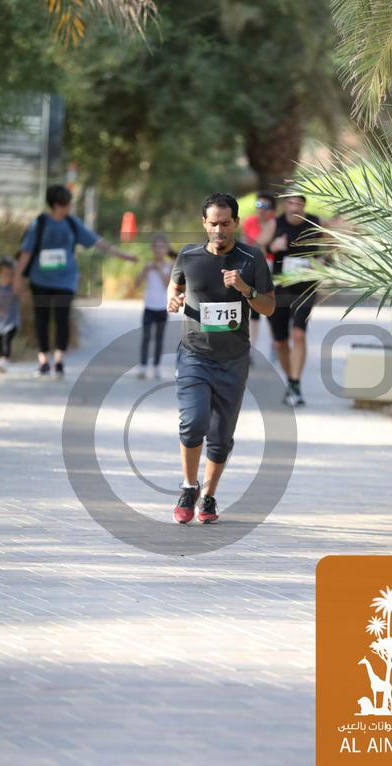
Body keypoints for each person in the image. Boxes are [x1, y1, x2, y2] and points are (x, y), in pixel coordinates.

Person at [168, 192, 275, 525]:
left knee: (220, 435)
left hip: (233, 359)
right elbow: (174, 286)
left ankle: (209, 496)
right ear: (204, 223)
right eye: (213, 223)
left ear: (236, 223)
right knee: (193, 422)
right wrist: (173, 299)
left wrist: (245, 289)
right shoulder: (188, 255)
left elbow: (269, 306)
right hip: (194, 355)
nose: (219, 230)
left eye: (226, 224)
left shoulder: (251, 258)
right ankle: (189, 487)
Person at [14, 184, 137, 377]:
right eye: (66, 204)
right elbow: (26, 252)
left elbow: (96, 241)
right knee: (41, 319)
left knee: (62, 318)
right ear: (55, 205)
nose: (69, 207)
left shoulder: (72, 223)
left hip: (66, 280)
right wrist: (18, 278)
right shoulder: (40, 223)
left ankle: (59, 361)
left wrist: (122, 255)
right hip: (40, 279)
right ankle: (43, 361)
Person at [267, 194, 322, 407]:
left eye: (299, 203)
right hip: (280, 288)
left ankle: (295, 382)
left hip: (305, 287)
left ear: (304, 206)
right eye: (291, 202)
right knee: (280, 341)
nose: (295, 206)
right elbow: (259, 243)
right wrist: (273, 246)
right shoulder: (277, 222)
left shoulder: (314, 222)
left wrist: (324, 260)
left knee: (298, 334)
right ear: (286, 204)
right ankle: (291, 381)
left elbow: (334, 240)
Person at [241, 191, 277, 352]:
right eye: (258, 205)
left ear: (272, 209)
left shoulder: (276, 223)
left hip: (273, 268)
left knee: (272, 306)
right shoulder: (250, 222)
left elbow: (260, 244)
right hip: (254, 266)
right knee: (253, 305)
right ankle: (252, 346)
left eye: (265, 206)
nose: (261, 209)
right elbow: (249, 244)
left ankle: (275, 343)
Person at [135, 234, 172, 379]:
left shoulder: (169, 266)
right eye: (156, 247)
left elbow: (168, 285)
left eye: (162, 247)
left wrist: (158, 269)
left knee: (159, 338)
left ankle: (156, 366)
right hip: (149, 307)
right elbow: (137, 284)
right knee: (146, 337)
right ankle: (143, 366)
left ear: (166, 249)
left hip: (162, 308)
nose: (158, 250)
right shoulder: (148, 266)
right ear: (152, 248)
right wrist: (144, 271)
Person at [0, 256, 21, 373]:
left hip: (12, 321)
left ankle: (4, 359)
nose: (7, 276)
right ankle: (2, 359)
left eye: (10, 274)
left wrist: (16, 278)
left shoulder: (14, 288)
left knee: (6, 340)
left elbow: (21, 295)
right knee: (0, 340)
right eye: (5, 274)